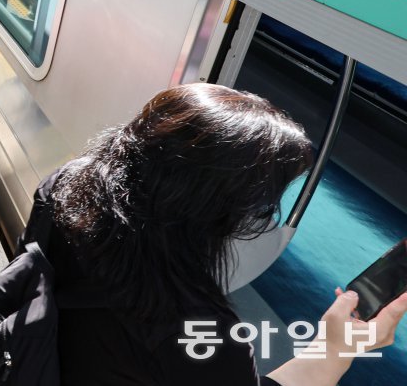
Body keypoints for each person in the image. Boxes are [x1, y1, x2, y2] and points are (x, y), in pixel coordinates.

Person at [27, 84, 407, 386]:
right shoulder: (195, 335)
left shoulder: (64, 186)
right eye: (260, 206)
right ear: (213, 212)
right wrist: (337, 348)